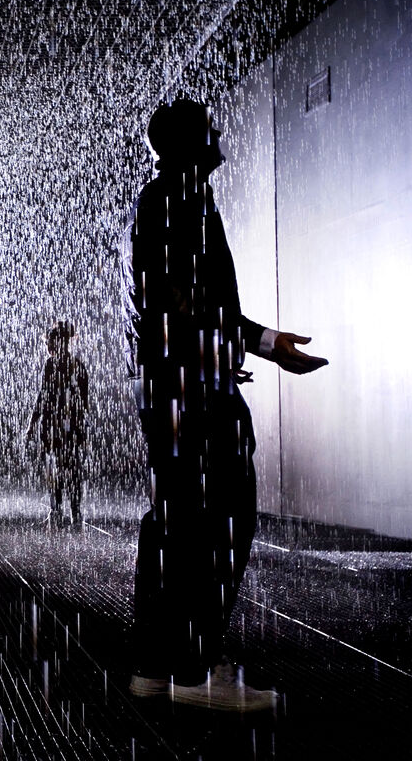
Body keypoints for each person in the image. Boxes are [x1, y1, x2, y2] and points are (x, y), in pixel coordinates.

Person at [126, 99, 327, 710]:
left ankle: (156, 665)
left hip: (178, 390)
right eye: (210, 128)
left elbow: (183, 308)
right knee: (220, 523)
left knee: (174, 524)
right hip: (196, 396)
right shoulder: (177, 204)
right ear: (192, 144)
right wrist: (225, 352)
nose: (220, 134)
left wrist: (260, 344)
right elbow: (184, 303)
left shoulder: (169, 200)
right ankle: (196, 672)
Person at [27, 321, 89, 528]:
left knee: (55, 470)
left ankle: (57, 511)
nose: (47, 347)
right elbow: (84, 403)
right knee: (72, 469)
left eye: (49, 342)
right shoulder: (78, 365)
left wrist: (32, 424)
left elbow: (42, 396)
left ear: (59, 343)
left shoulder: (51, 365)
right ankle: (75, 512)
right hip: (69, 426)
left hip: (53, 426)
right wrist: (81, 428)